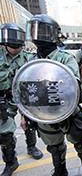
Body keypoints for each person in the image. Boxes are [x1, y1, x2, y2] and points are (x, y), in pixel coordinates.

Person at [21, 14, 82, 176]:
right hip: (44, 114)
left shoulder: (65, 58)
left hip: (67, 111)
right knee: (55, 148)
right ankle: (61, 171)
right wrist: (25, 115)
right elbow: (24, 92)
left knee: (81, 143)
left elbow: (73, 85)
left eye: (43, 32)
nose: (38, 36)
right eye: (34, 31)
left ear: (53, 34)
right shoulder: (30, 61)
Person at [0, 23, 44, 176]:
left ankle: (31, 147)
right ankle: (11, 162)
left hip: (25, 95)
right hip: (4, 98)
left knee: (30, 124)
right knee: (4, 133)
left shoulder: (30, 58)